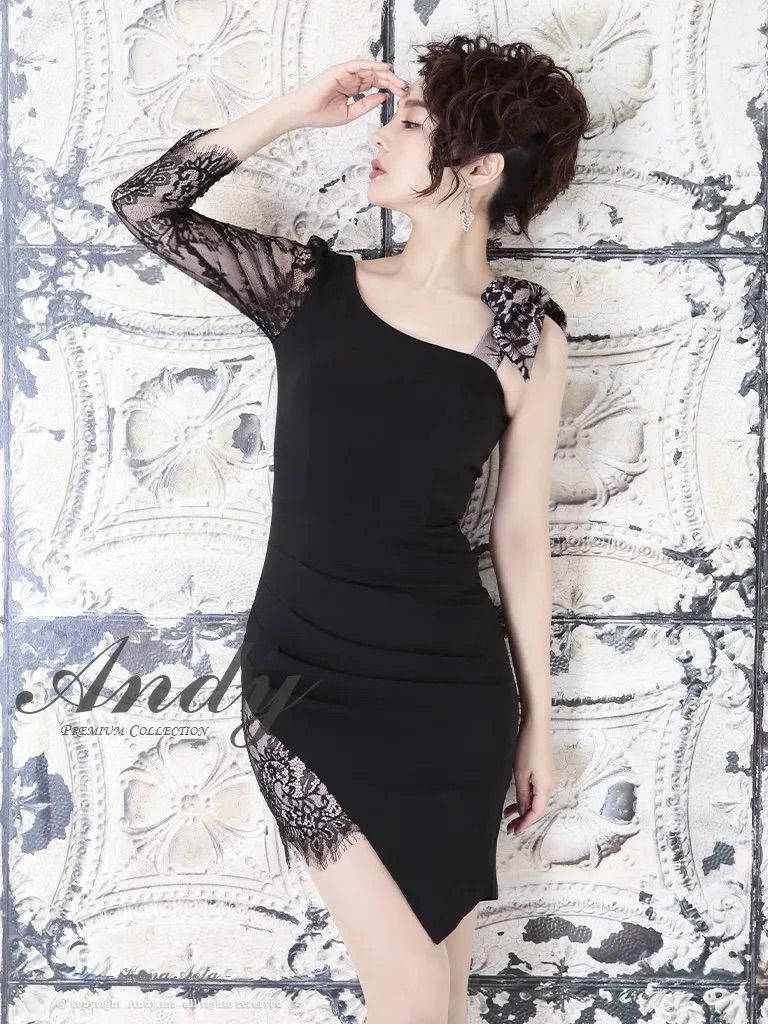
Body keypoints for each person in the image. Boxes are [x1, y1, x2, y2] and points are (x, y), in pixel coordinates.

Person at [111, 33, 591, 1024]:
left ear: (479, 167)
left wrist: (538, 722)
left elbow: (518, 531)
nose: (381, 134)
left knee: (439, 1000)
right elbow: (146, 206)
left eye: (411, 123)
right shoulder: (309, 289)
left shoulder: (523, 330)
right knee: (412, 998)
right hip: (306, 681)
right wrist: (294, 107)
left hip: (452, 695)